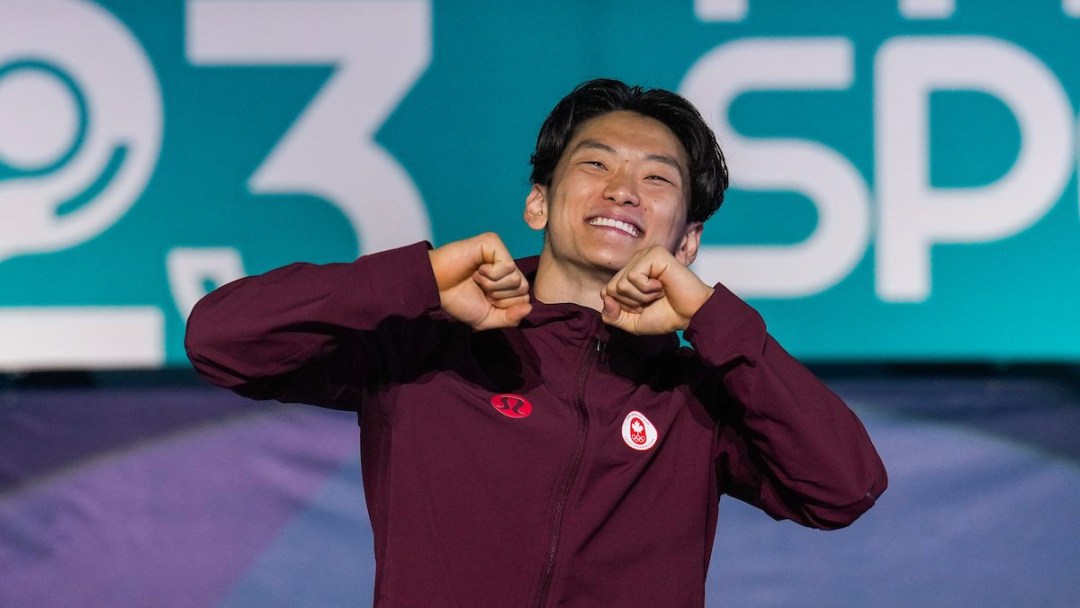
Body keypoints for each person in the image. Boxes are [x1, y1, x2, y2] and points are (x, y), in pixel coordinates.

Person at [186, 78, 887, 607]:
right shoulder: (427, 345)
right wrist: (421, 279)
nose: (623, 191)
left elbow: (845, 488)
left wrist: (709, 318)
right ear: (538, 203)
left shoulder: (698, 391)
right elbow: (220, 339)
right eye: (595, 165)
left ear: (689, 239)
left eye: (657, 179)